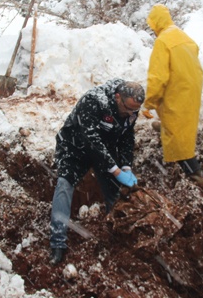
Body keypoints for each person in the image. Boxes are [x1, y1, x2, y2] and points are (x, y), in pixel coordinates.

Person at [49, 79, 143, 265]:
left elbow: (126, 137)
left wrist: (126, 166)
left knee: (115, 193)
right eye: (129, 109)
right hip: (75, 146)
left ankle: (115, 236)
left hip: (105, 148)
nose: (132, 114)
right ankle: (57, 242)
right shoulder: (93, 101)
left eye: (135, 111)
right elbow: (91, 139)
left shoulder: (131, 108)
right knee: (64, 185)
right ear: (117, 98)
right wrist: (115, 169)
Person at [143, 4, 203, 185]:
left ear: (155, 23)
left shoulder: (162, 41)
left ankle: (195, 174)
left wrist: (150, 103)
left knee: (178, 135)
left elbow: (157, 77)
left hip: (177, 88)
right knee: (181, 121)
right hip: (191, 87)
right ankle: (164, 129)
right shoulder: (183, 36)